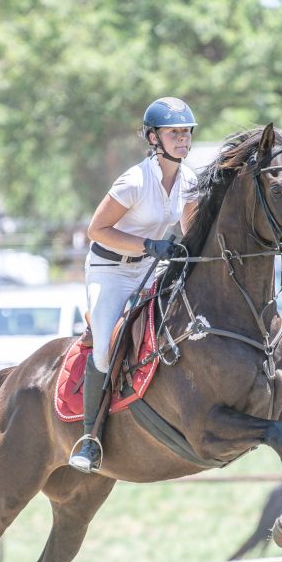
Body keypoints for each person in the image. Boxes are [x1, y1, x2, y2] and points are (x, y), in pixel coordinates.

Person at [68, 97, 201, 473]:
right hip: (110, 269)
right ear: (153, 138)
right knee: (105, 347)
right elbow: (97, 230)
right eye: (174, 132)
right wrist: (147, 244)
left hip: (150, 267)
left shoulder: (189, 181)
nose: (182, 139)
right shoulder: (134, 181)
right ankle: (90, 438)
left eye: (186, 132)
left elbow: (190, 231)